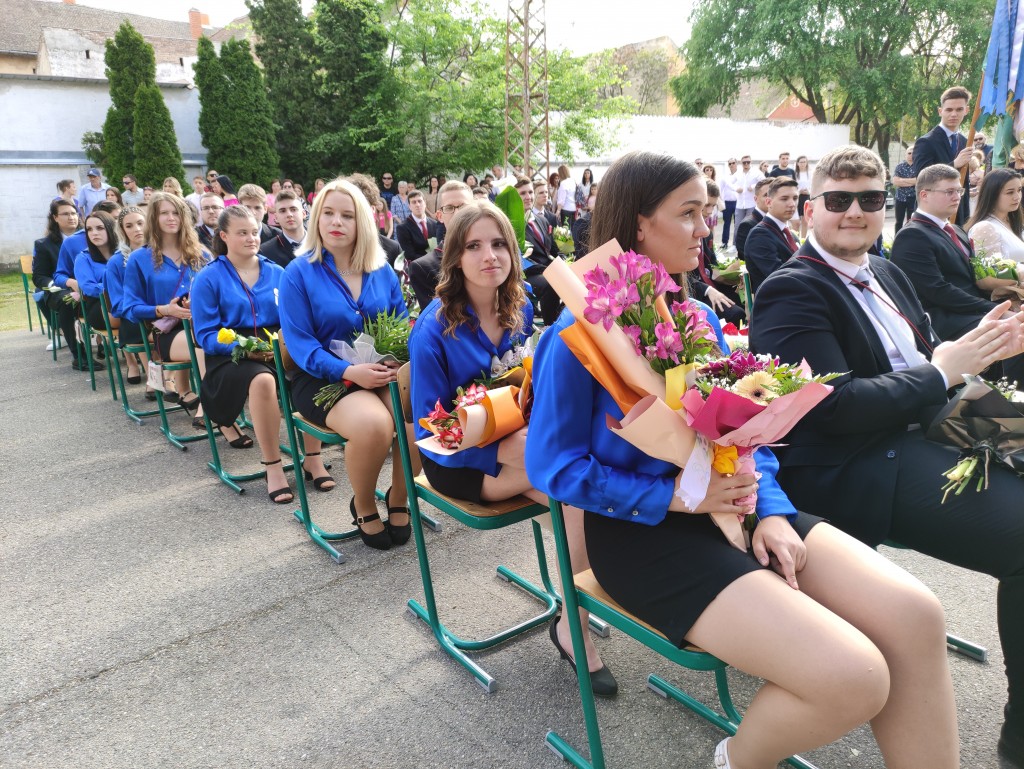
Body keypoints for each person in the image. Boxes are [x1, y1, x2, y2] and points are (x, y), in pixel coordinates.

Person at [529, 149, 959, 769]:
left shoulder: (700, 318)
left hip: (740, 501)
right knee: (855, 677)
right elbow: (554, 468)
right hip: (643, 536)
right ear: (640, 224)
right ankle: (736, 760)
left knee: (916, 616)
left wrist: (774, 510)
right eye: (689, 213)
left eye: (706, 212)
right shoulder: (575, 338)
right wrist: (677, 496)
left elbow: (746, 434)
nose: (706, 228)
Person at [752, 144, 1024, 767]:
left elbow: (927, 359)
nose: (855, 212)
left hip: (928, 420)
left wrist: (981, 348)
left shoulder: (884, 269)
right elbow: (830, 409)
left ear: (885, 206)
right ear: (810, 209)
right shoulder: (790, 290)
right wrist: (942, 371)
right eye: (838, 200)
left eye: (870, 199)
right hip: (857, 460)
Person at [410, 200, 617, 694]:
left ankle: (572, 619)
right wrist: (497, 450)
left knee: (582, 497)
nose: (490, 256)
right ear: (455, 258)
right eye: (474, 246)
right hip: (459, 460)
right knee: (578, 490)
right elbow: (429, 428)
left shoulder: (519, 311)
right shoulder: (432, 329)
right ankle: (576, 624)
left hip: (523, 446)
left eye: (499, 243)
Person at [278, 179, 411, 550]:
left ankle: (399, 497)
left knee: (418, 418)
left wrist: (395, 362)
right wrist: (349, 371)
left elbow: (400, 324)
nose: (336, 222)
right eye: (328, 213)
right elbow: (301, 346)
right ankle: (364, 504)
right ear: (317, 219)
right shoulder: (298, 273)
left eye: (347, 215)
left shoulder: (381, 271)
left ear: (362, 222)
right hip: (321, 378)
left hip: (380, 371)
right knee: (375, 426)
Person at [190, 206, 297, 503]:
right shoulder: (208, 278)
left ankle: (312, 459)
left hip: (276, 346)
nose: (252, 238)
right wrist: (245, 348)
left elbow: (294, 318)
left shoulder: (278, 272)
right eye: (242, 233)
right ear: (224, 236)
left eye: (254, 232)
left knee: (310, 370)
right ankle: (273, 466)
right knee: (262, 380)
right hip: (230, 355)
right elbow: (205, 336)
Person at [890, 164, 1024, 394]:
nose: (957, 197)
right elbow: (938, 291)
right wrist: (995, 309)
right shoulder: (912, 235)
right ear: (924, 195)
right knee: (1015, 330)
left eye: (959, 191)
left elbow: (977, 278)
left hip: (971, 311)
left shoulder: (955, 230)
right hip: (944, 320)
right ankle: (1011, 399)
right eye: (949, 192)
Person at [122, 192, 222, 432]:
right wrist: (165, 309)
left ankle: (221, 405)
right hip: (164, 331)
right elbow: (130, 308)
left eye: (176, 212)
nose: (171, 218)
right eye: (164, 213)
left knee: (214, 341)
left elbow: (220, 293)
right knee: (205, 344)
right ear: (154, 218)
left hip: (202, 322)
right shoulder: (139, 258)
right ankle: (208, 407)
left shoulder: (202, 254)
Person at [33, 200, 87, 366]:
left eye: (73, 213)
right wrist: (57, 285)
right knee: (67, 301)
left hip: (88, 285)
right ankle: (80, 356)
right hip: (60, 290)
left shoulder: (89, 237)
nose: (71, 217)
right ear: (55, 218)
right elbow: (39, 276)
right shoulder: (44, 245)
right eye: (65, 214)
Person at [913, 86, 974, 226]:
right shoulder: (926, 142)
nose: (954, 114)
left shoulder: (965, 142)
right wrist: (954, 164)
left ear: (966, 110)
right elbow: (922, 177)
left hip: (959, 212)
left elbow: (964, 181)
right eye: (949, 110)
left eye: (959, 109)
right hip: (933, 213)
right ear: (940, 111)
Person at [687, 180, 745, 325]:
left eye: (713, 206)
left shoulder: (708, 234)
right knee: (736, 313)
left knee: (745, 300)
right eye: (707, 205)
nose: (710, 211)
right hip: (693, 290)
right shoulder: (683, 232)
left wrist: (729, 275)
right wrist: (707, 290)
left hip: (709, 283)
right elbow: (680, 275)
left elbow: (710, 267)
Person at [409, 181, 471, 312]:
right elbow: (438, 317)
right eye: (449, 208)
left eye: (464, 207)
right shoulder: (423, 268)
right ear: (439, 216)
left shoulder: (490, 255)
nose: (457, 213)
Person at [106, 206, 148, 385]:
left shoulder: (162, 253)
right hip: (132, 317)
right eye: (129, 226)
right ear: (122, 231)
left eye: (140, 223)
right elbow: (117, 304)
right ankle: (154, 378)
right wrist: (144, 310)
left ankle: (169, 378)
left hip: (163, 312)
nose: (137, 229)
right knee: (140, 323)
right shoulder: (116, 262)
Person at [516, 176, 561, 326]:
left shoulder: (542, 220)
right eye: (523, 193)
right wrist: (548, 269)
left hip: (547, 269)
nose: (528, 197)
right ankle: (550, 328)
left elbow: (553, 249)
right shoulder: (512, 225)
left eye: (530, 192)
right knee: (551, 283)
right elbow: (518, 259)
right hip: (527, 274)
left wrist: (564, 262)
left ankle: (565, 322)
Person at [745, 177, 801, 294]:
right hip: (778, 299)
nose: (792, 204)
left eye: (795, 198)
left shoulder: (789, 233)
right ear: (768, 202)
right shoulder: (759, 235)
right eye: (784, 199)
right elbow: (779, 277)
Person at [74, 210, 118, 334]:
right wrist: (115, 287)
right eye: (89, 229)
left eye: (100, 228)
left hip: (125, 300)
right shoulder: (83, 258)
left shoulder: (123, 252)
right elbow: (88, 287)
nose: (94, 233)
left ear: (111, 228)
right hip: (99, 305)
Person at [967, 167, 1024, 263]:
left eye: (1019, 190)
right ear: (992, 195)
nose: (1017, 197)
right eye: (1010, 192)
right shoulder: (984, 227)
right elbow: (988, 271)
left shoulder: (1013, 221)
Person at [260, 189, 307, 268]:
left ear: (304, 213)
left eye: (293, 209)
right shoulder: (265, 252)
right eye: (283, 211)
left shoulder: (322, 243)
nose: (289, 214)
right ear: (276, 217)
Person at [734, 178, 772, 260]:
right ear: (756, 199)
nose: (770, 199)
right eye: (766, 195)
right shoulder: (747, 225)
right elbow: (745, 258)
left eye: (774, 195)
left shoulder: (781, 221)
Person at [395, 189, 438, 261]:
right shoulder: (402, 228)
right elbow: (410, 255)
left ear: (425, 203)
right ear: (409, 206)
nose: (417, 205)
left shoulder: (435, 224)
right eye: (414, 202)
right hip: (417, 265)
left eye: (420, 201)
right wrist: (431, 260)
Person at [730, 154, 763, 227]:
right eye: (744, 162)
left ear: (751, 162)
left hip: (751, 204)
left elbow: (764, 181)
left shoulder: (756, 172)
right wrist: (736, 188)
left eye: (748, 162)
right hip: (740, 204)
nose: (746, 164)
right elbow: (729, 183)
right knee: (738, 226)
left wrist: (753, 186)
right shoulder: (738, 173)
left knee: (750, 226)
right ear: (741, 163)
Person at [891, 147, 917, 234]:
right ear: (905, 154)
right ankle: (897, 238)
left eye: (913, 153)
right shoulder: (899, 166)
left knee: (911, 221)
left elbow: (918, 180)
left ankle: (909, 239)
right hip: (900, 198)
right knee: (899, 221)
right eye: (909, 153)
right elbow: (895, 182)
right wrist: (912, 182)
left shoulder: (918, 166)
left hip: (913, 197)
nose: (911, 155)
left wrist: (902, 180)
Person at [719, 158, 740, 251]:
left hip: (738, 203)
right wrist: (721, 201)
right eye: (730, 163)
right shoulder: (725, 177)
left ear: (736, 163)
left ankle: (736, 244)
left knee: (737, 224)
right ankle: (724, 242)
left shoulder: (741, 175)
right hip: (727, 203)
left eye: (733, 163)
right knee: (726, 223)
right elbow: (720, 189)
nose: (731, 165)